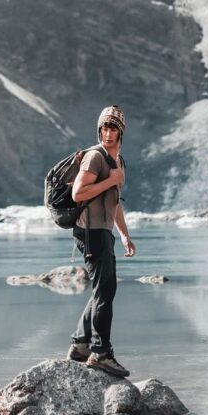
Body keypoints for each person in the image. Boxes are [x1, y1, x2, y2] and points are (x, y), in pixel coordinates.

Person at [66, 104, 135, 378]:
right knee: (105, 292)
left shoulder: (117, 162)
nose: (108, 133)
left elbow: (115, 203)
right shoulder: (95, 158)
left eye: (113, 128)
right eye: (104, 128)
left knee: (103, 289)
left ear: (121, 132)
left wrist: (124, 234)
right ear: (99, 130)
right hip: (90, 232)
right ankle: (101, 353)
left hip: (103, 232)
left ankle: (80, 345)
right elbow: (79, 193)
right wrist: (111, 181)